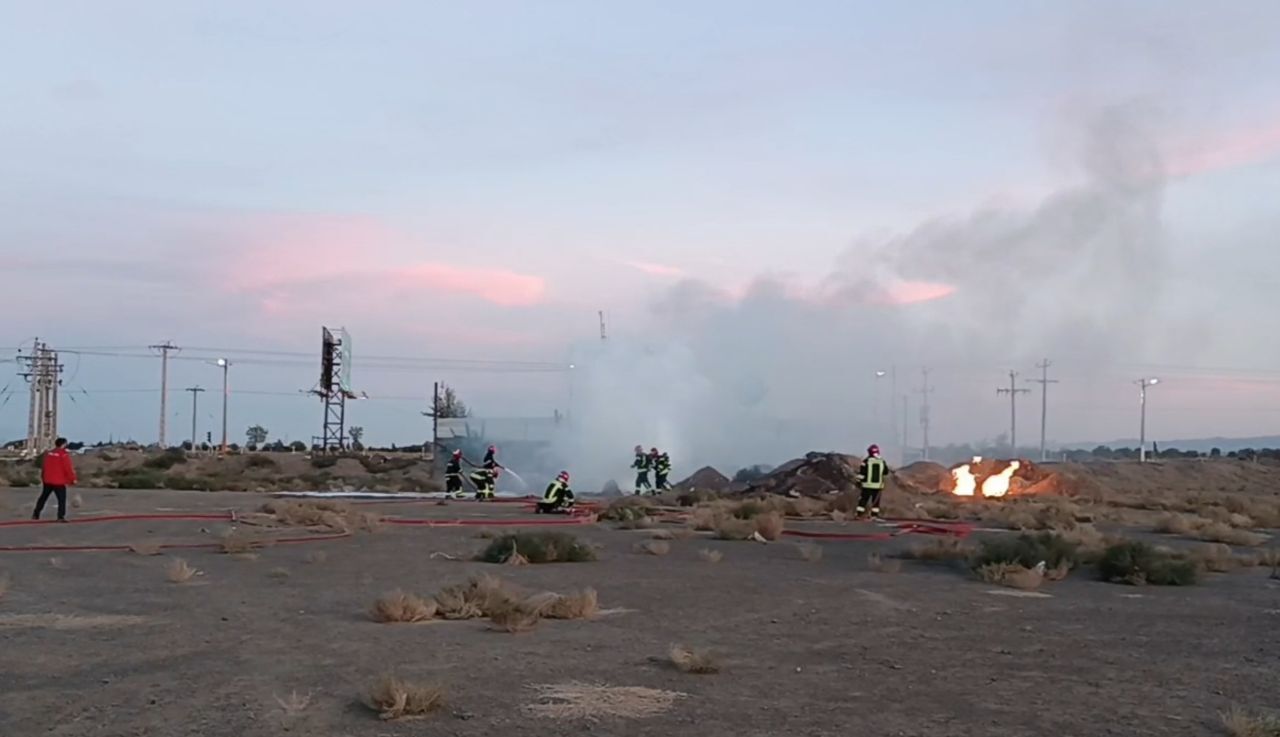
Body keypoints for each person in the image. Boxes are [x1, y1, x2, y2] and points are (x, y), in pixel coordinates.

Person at [33, 437, 76, 522]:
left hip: (48, 480)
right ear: (63, 444)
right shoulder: (63, 454)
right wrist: (72, 479)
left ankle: (36, 513)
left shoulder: (49, 453)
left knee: (43, 497)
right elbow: (67, 468)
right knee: (61, 499)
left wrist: (43, 477)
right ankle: (60, 517)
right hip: (58, 481)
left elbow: (44, 466)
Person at [855, 444, 889, 519]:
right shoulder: (882, 461)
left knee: (863, 500)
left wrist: (858, 481)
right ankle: (874, 515)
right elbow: (886, 472)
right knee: (875, 501)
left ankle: (859, 514)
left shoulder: (866, 461)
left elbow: (862, 473)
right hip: (878, 486)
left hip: (867, 485)